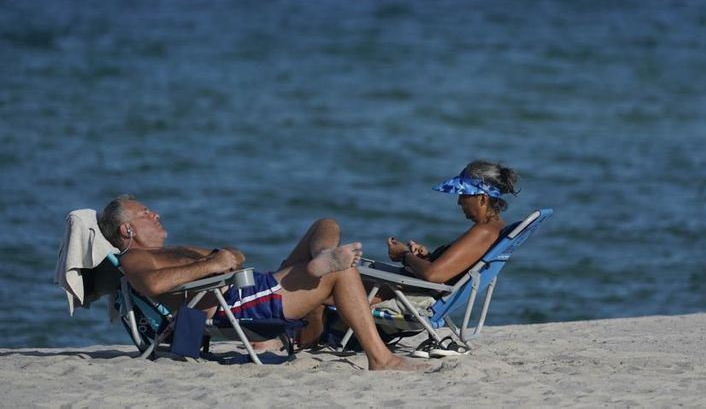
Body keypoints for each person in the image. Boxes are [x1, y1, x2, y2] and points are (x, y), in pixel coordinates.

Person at [97, 194, 426, 371]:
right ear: (127, 229)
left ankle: (321, 257)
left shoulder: (172, 250)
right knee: (341, 272)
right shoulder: (134, 259)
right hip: (236, 306)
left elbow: (234, 254)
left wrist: (225, 257)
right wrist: (212, 263)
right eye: (145, 213)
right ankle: (381, 359)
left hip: (253, 288)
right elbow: (153, 285)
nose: (155, 214)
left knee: (326, 224)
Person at [385, 160, 519, 286]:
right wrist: (426, 258)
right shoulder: (495, 227)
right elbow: (452, 270)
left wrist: (403, 255)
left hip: (414, 295)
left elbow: (432, 275)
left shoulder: (484, 231)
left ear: (483, 199)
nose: (459, 202)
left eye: (463, 195)